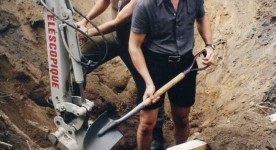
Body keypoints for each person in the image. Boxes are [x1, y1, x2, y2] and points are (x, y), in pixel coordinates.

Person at [76, 0, 166, 149]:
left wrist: (88, 33)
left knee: (149, 87)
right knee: (78, 60)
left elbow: (117, 22)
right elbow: (103, 2)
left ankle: (156, 133)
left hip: (138, 45)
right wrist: (84, 21)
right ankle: (74, 105)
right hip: (116, 37)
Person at [128, 0, 215, 149]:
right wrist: (149, 83)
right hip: (154, 66)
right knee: (147, 124)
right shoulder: (145, 5)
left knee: (182, 119)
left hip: (185, 64)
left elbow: (201, 17)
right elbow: (134, 46)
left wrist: (209, 45)